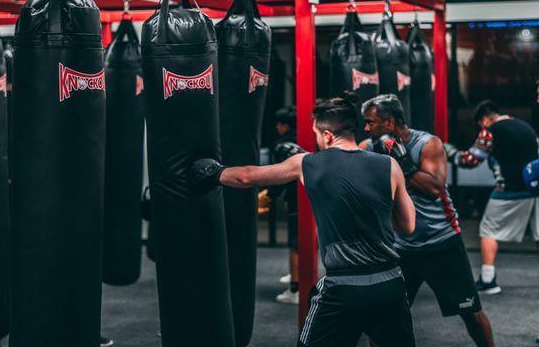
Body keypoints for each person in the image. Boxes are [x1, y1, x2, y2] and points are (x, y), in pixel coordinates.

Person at [191, 93, 417, 347]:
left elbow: (246, 177)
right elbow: (407, 225)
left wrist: (214, 173)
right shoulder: (390, 165)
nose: (317, 141)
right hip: (389, 284)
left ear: (328, 135)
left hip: (343, 289)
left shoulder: (308, 163)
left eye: (317, 135)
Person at [360, 94, 494, 347]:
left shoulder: (428, 144)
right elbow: (343, 160)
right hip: (399, 248)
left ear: (389, 123)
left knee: (471, 313)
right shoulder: (370, 146)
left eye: (371, 122)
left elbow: (434, 189)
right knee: (381, 318)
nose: (366, 128)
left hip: (440, 243)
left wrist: (403, 163)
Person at [444, 100, 539, 295]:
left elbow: (471, 159)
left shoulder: (491, 131)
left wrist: (448, 152)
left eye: (480, 124)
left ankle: (488, 280)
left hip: (509, 188)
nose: (481, 128)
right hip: (536, 188)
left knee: (488, 230)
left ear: (484, 119)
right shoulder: (526, 127)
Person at [269, 106, 299, 304]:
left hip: (297, 196)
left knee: (295, 244)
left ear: (284, 125)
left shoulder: (284, 144)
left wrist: (271, 195)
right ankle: (297, 277)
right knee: (300, 242)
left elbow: (281, 175)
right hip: (306, 194)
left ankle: (295, 289)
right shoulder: (306, 136)